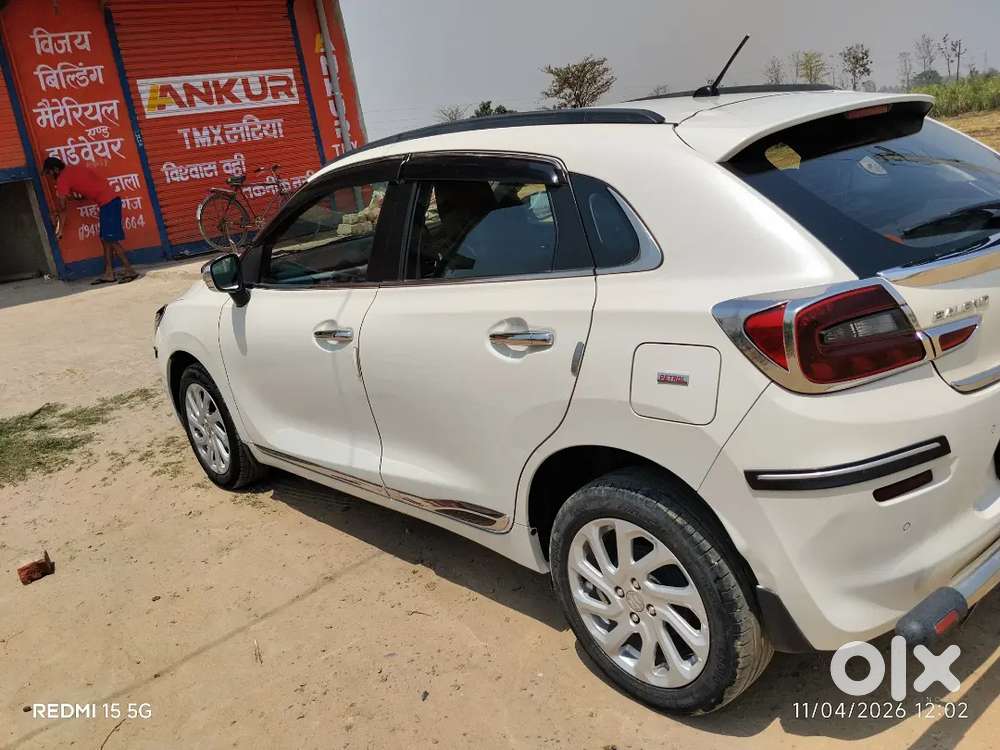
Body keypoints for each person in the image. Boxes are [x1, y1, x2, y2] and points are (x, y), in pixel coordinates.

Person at [42, 157, 138, 284]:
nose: (49, 176)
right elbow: (89, 185)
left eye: (49, 173)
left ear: (55, 169)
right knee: (105, 240)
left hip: (108, 203)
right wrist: (79, 196)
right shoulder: (73, 169)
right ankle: (109, 273)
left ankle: (130, 271)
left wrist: (59, 230)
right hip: (109, 202)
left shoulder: (62, 180)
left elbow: (62, 209)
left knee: (111, 239)